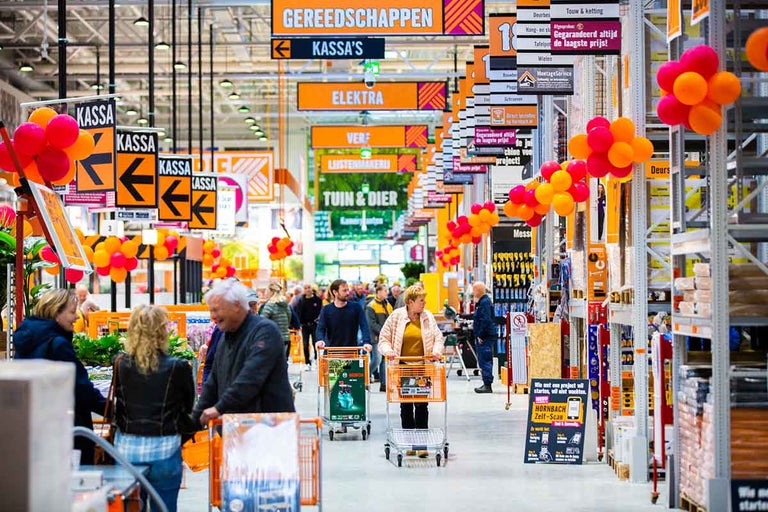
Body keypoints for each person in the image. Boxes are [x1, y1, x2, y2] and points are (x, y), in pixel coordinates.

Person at [113, 305, 195, 512]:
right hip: (165, 448)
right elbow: (187, 406)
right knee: (165, 507)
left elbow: (119, 403)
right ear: (163, 330)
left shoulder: (121, 363)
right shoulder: (178, 366)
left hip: (127, 451)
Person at [13, 289, 107, 465]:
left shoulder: (27, 339)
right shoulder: (57, 344)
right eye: (72, 312)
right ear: (56, 313)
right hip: (67, 428)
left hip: (36, 425)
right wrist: (112, 410)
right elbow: (81, 389)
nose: (77, 317)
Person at [193, 279, 295, 427]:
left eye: (216, 310)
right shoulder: (225, 336)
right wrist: (192, 422)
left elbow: (251, 377)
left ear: (236, 306)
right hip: (237, 430)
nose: (212, 316)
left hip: (269, 430)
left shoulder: (265, 331)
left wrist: (219, 408)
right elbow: (213, 383)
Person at [378, 285, 444, 446]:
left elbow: (438, 337)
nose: (424, 303)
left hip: (423, 367)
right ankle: (408, 443)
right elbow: (384, 339)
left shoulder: (427, 316)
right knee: (406, 406)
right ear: (411, 302)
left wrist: (436, 351)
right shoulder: (396, 317)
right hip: (403, 368)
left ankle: (421, 444)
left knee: (422, 405)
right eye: (421, 301)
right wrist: (388, 351)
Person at [315, 279, 372, 351]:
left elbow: (364, 326)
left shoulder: (356, 307)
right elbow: (320, 328)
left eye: (348, 290)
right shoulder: (326, 309)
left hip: (352, 352)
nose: (348, 293)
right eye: (344, 290)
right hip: (332, 352)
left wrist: (366, 342)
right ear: (335, 292)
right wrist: (320, 340)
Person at [365, 283, 393, 391]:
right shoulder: (371, 306)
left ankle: (384, 384)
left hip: (385, 337)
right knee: (377, 359)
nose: (387, 292)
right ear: (378, 292)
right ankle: (365, 376)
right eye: (385, 291)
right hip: (375, 337)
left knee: (383, 361)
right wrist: (384, 331)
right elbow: (371, 323)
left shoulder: (387, 304)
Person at [472, 282, 496, 394]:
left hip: (485, 336)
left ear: (478, 290)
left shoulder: (485, 302)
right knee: (483, 359)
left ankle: (487, 385)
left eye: (474, 289)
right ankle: (486, 383)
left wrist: (481, 335)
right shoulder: (482, 301)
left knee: (485, 359)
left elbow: (486, 320)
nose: (473, 292)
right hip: (484, 335)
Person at [260, 282, 293, 359]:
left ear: (271, 291)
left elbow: (262, 321)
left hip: (273, 339)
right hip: (286, 338)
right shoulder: (285, 304)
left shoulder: (270, 305)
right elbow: (289, 317)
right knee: (283, 363)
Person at [296, 283, 323, 368]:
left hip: (315, 325)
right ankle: (307, 362)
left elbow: (320, 312)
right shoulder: (301, 301)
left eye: (309, 287)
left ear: (312, 289)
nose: (307, 289)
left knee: (316, 342)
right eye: (306, 288)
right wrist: (299, 323)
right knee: (305, 344)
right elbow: (298, 312)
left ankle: (316, 359)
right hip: (305, 325)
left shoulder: (318, 300)